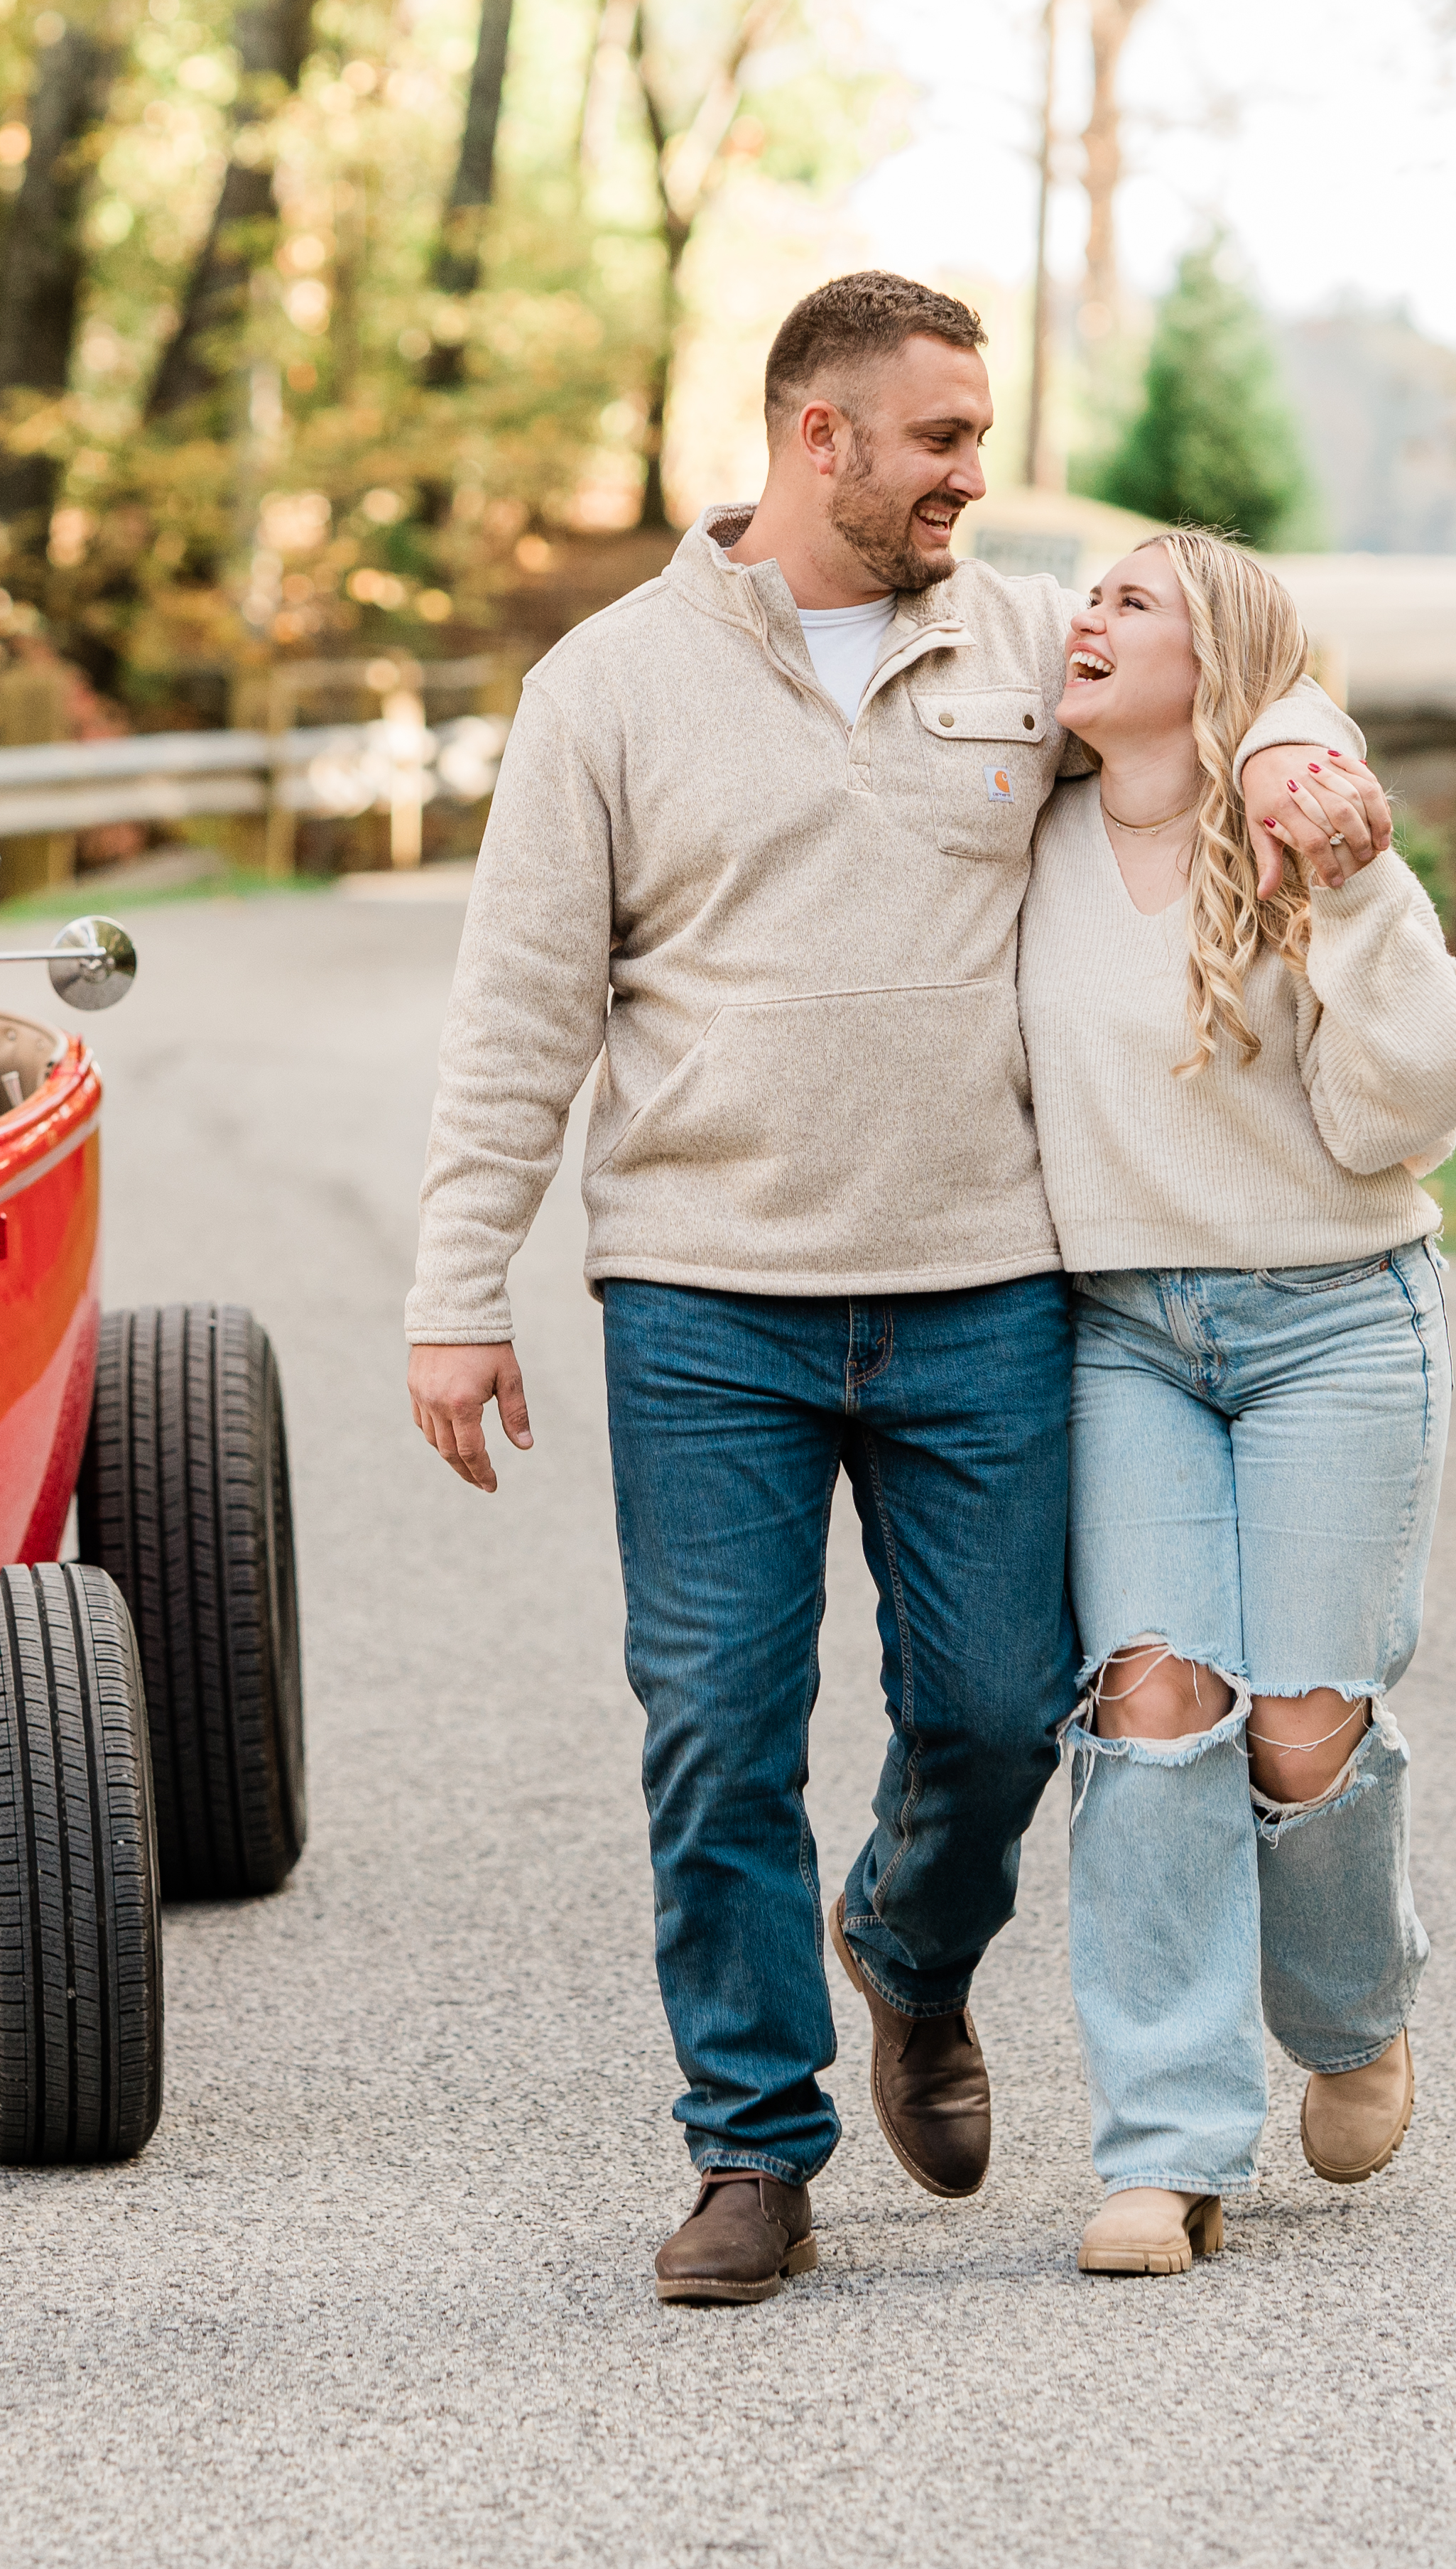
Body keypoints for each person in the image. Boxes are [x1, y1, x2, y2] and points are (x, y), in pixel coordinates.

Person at [402, 271, 1391, 2308]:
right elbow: (519, 1007)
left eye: (978, 432)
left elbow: (1235, 659)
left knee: (996, 1712)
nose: (973, 472)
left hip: (981, 1289)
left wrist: (1293, 749)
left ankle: (914, 1955)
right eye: (939, 437)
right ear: (816, 437)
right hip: (704, 1297)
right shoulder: (607, 682)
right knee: (715, 1728)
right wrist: (457, 1284)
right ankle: (753, 2152)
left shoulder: (1026, 638)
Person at [1024, 526, 1456, 2274]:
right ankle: (1163, 2149)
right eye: (1082, 596)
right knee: (1154, 1717)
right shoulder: (1022, 828)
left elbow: (1413, 1109)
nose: (1083, 618)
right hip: (1118, 1334)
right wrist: (1289, 712)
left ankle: (1352, 2010)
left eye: (1129, 602)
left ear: (1216, 665)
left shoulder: (1305, 841)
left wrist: (1352, 873)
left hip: (1333, 1321)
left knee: (1307, 1731)